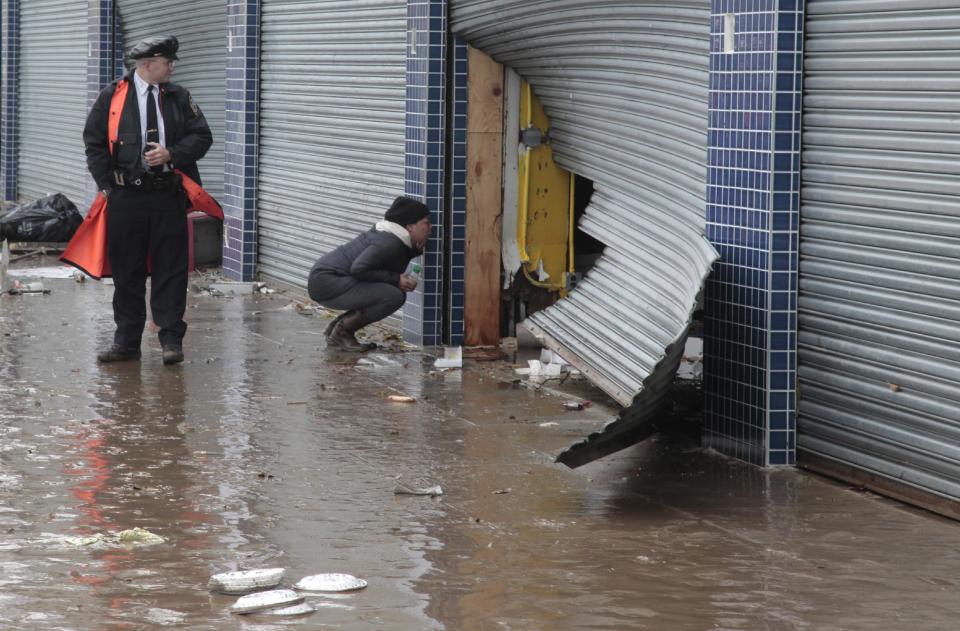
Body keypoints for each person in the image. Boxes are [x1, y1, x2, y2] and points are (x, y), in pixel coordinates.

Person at [82, 35, 212, 365]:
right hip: (126, 198)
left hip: (168, 195)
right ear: (148, 65)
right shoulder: (112, 95)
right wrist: (107, 186)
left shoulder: (179, 97)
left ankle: (171, 341)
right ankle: (126, 343)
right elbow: (94, 143)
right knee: (128, 272)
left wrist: (173, 153)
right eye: (167, 62)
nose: (172, 67)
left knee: (171, 269)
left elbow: (202, 136)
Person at [308, 196, 432, 351]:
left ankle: (336, 328)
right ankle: (342, 332)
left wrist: (413, 251)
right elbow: (359, 268)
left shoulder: (390, 237)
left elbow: (385, 262)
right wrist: (396, 279)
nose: (430, 227)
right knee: (392, 296)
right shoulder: (389, 242)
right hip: (327, 282)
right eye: (426, 223)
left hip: (328, 280)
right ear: (409, 227)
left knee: (389, 292)